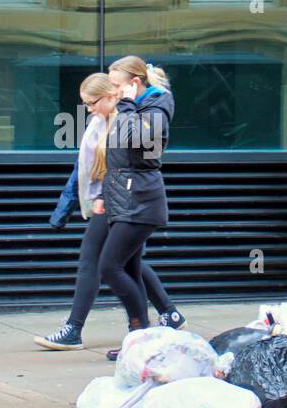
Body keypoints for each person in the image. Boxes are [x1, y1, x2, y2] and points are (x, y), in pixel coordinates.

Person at [36, 73, 184, 351]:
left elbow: (137, 162)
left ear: (110, 95)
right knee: (127, 264)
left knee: (100, 263)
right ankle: (160, 319)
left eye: (92, 102)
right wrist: (67, 205)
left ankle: (76, 329)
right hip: (112, 198)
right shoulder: (99, 121)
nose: (88, 109)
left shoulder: (127, 120)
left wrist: (102, 196)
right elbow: (83, 168)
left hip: (123, 200)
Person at [95, 55, 175, 350]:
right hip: (126, 197)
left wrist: (126, 106)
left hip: (140, 199)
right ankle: (139, 338)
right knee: (128, 268)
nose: (112, 91)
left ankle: (141, 335)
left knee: (110, 266)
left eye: (116, 86)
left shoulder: (156, 107)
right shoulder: (136, 107)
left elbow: (137, 142)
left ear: (134, 83)